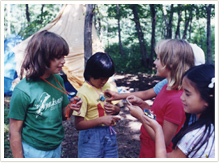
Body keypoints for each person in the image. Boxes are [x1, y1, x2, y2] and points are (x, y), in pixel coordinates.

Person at [8, 30, 82, 158]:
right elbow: (14, 132)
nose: (63, 61)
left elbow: (64, 115)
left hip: (56, 146)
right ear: (42, 57)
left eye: (64, 56)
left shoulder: (58, 80)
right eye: (59, 57)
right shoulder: (23, 90)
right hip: (34, 150)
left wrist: (72, 107)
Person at [126, 39, 195, 158]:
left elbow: (164, 141)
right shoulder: (165, 87)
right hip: (147, 149)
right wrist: (144, 107)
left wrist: (140, 117)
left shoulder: (177, 100)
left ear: (170, 64)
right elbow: (157, 118)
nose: (154, 62)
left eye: (158, 58)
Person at [142, 64, 215, 158]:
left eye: (187, 94)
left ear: (208, 98)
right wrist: (146, 110)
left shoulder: (193, 136)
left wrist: (155, 127)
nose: (181, 97)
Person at [104, 43, 205, 102]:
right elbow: (146, 93)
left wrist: (142, 116)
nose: (154, 62)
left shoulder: (184, 94)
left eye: (158, 58)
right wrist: (118, 96)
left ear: (172, 63)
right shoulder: (167, 83)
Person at [73, 52, 121, 158]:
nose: (104, 81)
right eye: (101, 78)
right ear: (91, 74)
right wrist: (102, 120)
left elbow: (118, 109)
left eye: (107, 77)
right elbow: (78, 125)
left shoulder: (109, 87)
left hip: (109, 134)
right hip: (90, 137)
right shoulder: (83, 93)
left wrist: (115, 109)